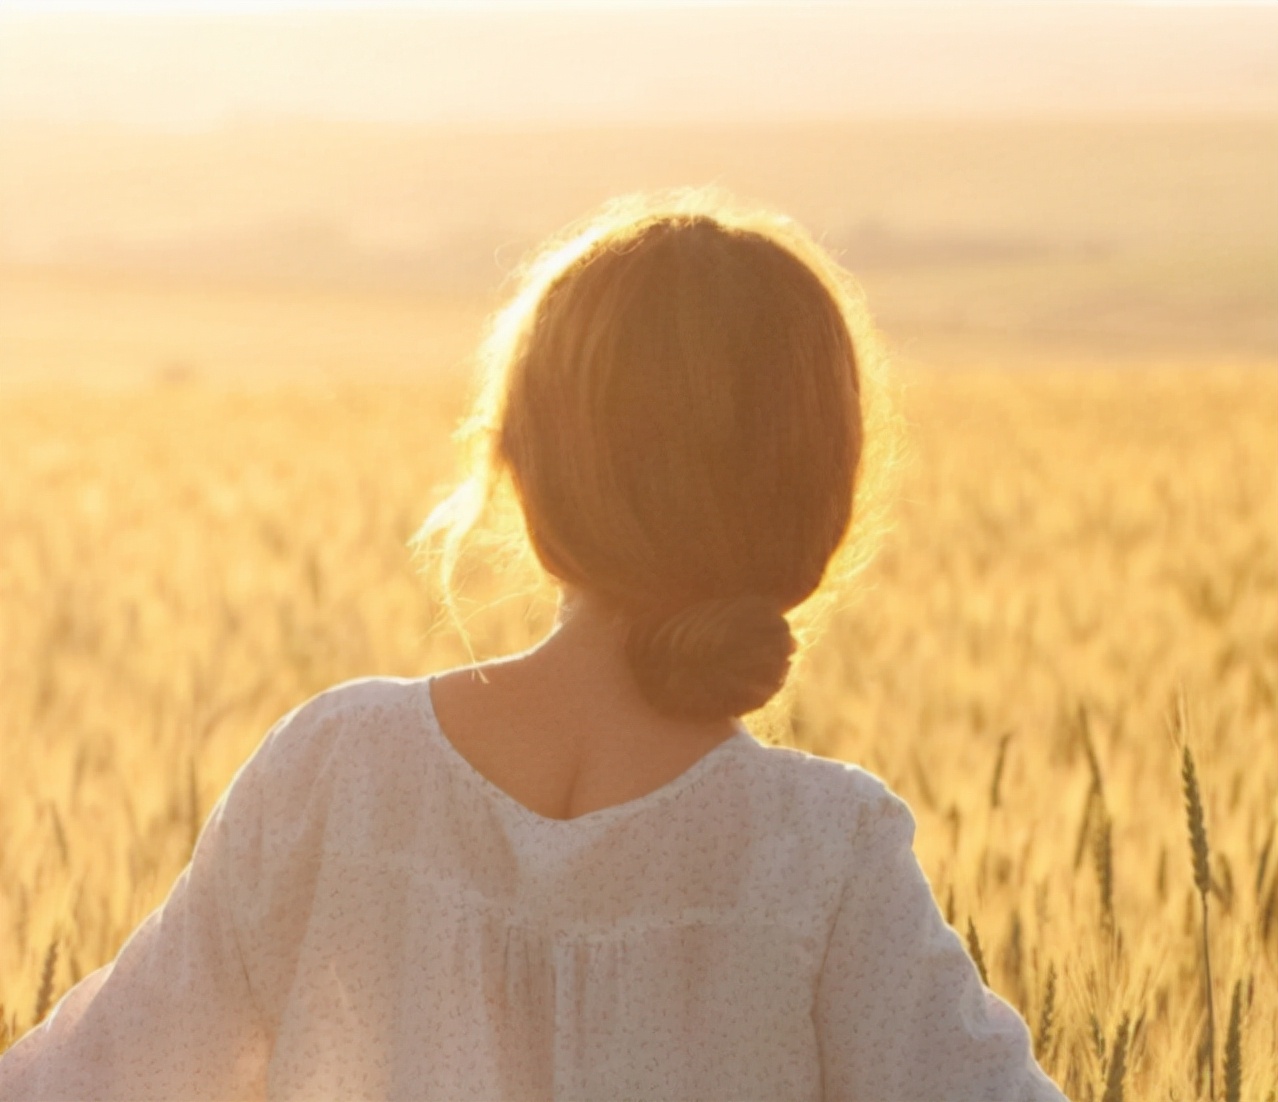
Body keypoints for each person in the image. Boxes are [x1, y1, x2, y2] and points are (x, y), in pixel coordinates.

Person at [0, 192, 1067, 1101]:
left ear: (518, 462)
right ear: (816, 501)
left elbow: (84, 1080)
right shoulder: (820, 856)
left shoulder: (341, 773)